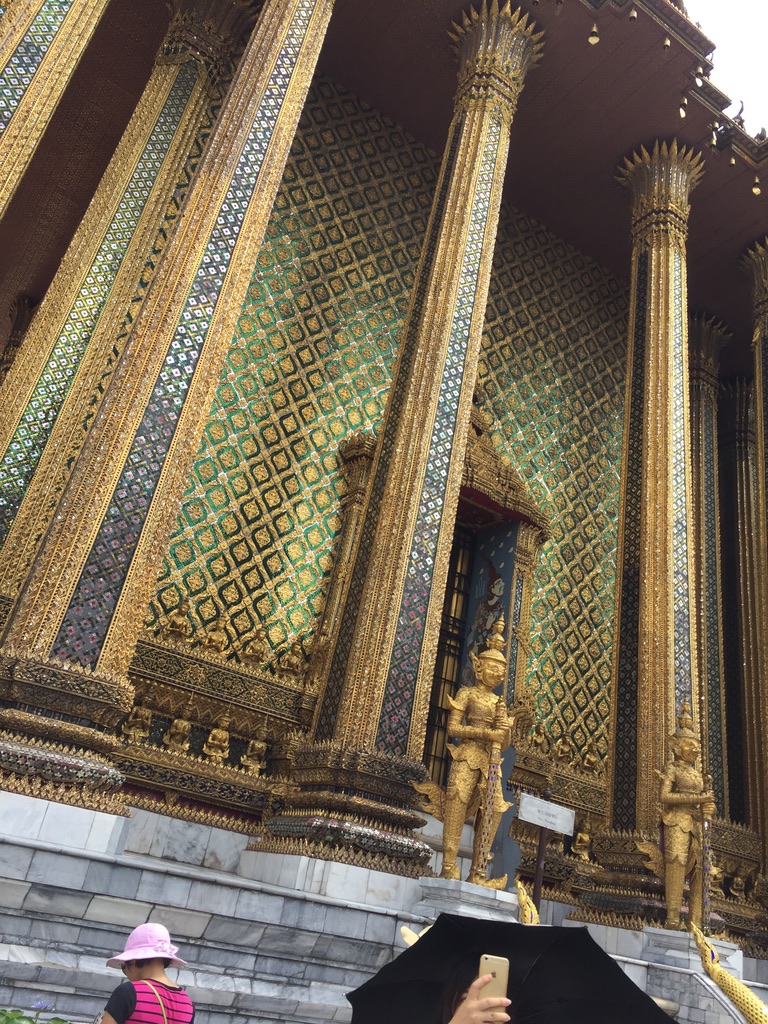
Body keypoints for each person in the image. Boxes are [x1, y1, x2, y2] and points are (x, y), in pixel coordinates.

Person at [440, 617, 513, 886]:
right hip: (468, 755)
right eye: (492, 667)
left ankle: (478, 871)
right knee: (457, 803)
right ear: (479, 666)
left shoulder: (499, 702)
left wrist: (503, 730)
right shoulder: (467, 694)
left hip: (491, 760)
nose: (496, 673)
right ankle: (448, 865)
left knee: (494, 809)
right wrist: (485, 733)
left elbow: (504, 742)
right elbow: (453, 728)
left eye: (500, 670)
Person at [660, 701, 716, 929]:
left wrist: (707, 810)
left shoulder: (697, 775)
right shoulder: (673, 769)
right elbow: (665, 797)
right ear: (676, 746)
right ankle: (673, 918)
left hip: (695, 823)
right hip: (676, 821)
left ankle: (696, 921)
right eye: (688, 744)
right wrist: (697, 800)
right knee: (676, 864)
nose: (694, 749)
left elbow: (704, 803)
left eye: (696, 745)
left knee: (702, 868)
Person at [102, 922, 194, 1024]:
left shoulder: (128, 992)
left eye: (123, 966)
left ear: (133, 960)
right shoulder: (187, 1003)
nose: (126, 973)